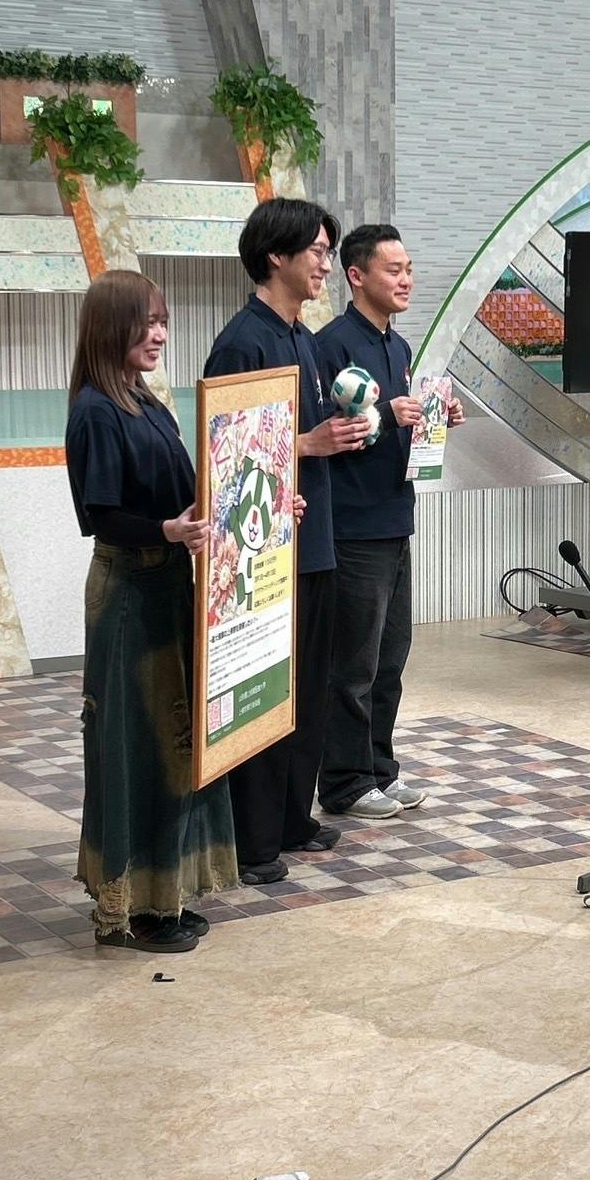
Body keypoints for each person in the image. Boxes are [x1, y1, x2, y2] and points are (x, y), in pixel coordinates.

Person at [65, 270, 238, 953]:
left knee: (174, 740)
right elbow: (100, 515)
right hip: (129, 593)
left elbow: (192, 492)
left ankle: (165, 896)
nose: (160, 333)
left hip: (166, 586)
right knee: (134, 747)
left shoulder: (145, 400)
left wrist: (266, 499)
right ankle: (130, 910)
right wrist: (168, 531)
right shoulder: (96, 410)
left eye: (163, 321)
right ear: (113, 328)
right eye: (147, 322)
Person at [204, 198, 370, 884]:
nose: (325, 263)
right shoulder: (243, 342)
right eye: (318, 251)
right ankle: (253, 840)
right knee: (263, 695)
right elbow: (226, 456)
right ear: (277, 256)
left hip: (315, 539)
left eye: (328, 251)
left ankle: (293, 818)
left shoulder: (301, 335)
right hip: (266, 554)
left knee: (307, 689)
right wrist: (306, 443)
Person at [315, 224, 465, 820]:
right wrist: (384, 412)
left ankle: (380, 770)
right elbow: (326, 433)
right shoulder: (331, 346)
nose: (406, 280)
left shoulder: (397, 347)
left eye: (409, 270)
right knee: (352, 664)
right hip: (352, 526)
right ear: (356, 275)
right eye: (393, 270)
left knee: (390, 658)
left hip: (395, 518)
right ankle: (345, 782)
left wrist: (436, 417)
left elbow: (395, 428)